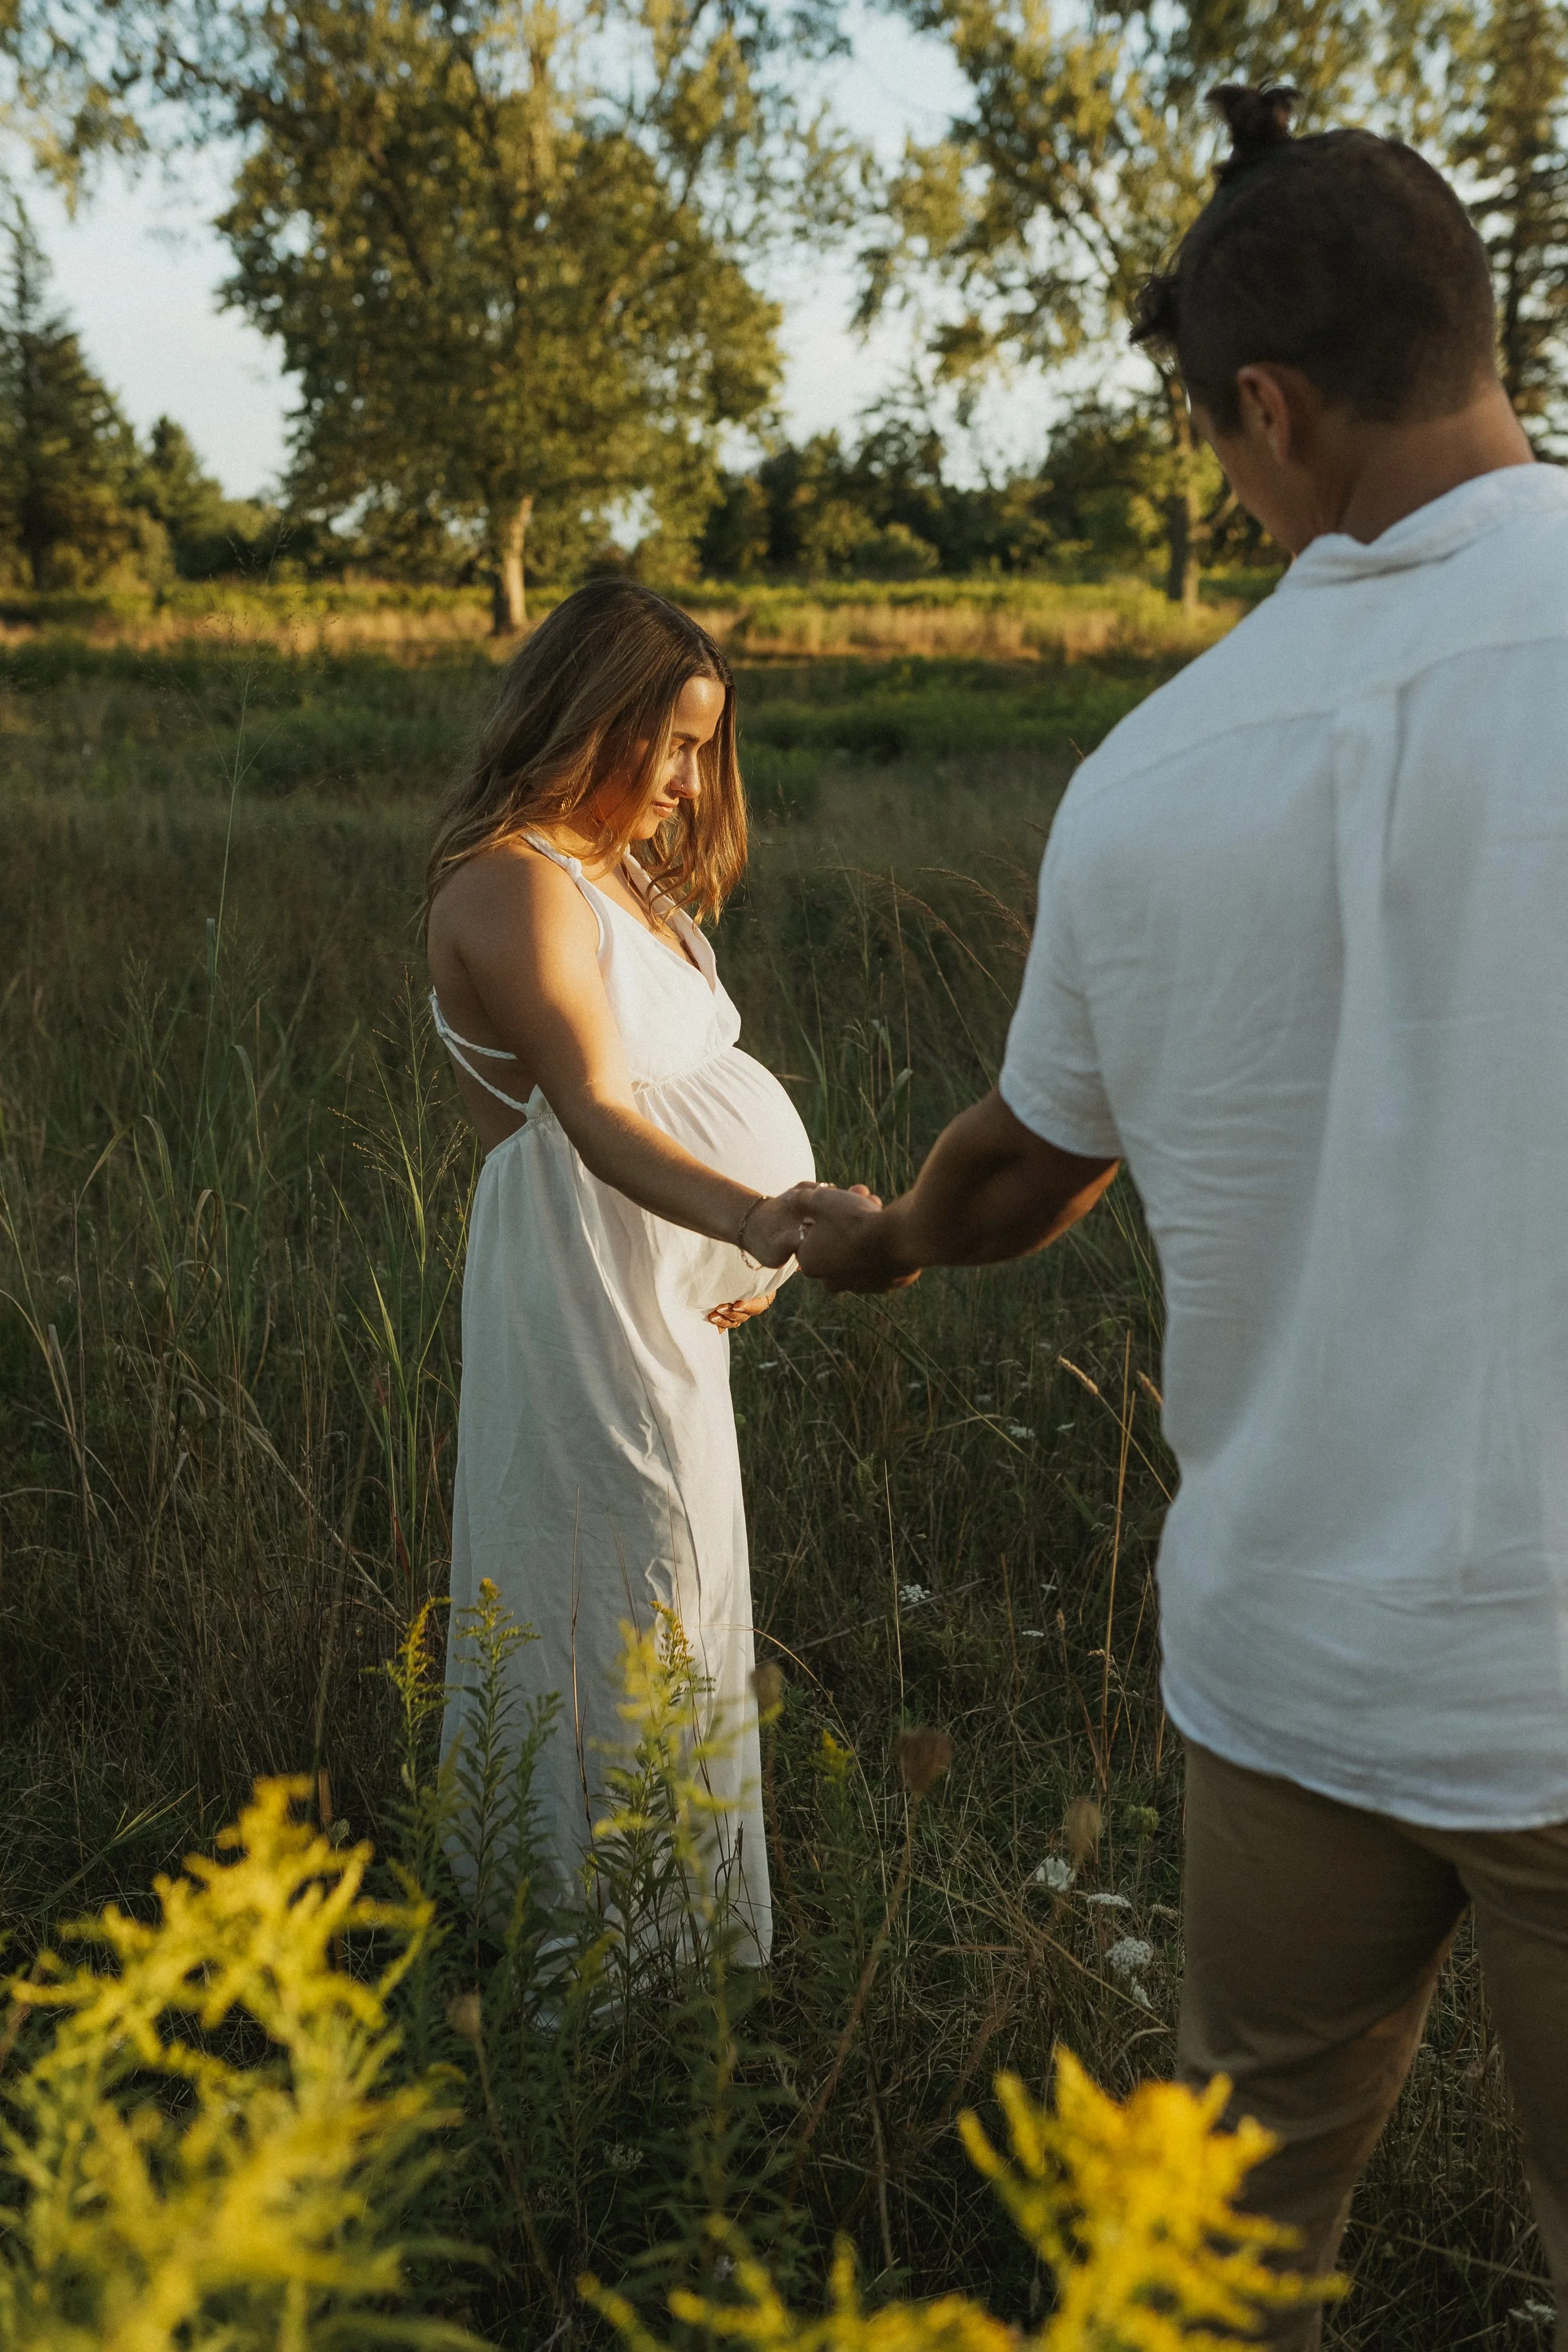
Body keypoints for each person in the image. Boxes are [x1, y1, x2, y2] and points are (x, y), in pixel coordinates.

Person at [795, 84, 1568, 2346]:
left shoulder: (1151, 773)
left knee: (1218, 2281)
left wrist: (890, 1240)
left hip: (1289, 1684)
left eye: (1220, 448)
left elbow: (1026, 1165)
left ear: (1266, 406)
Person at [425, 581, 816, 1964]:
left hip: (662, 1301)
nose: (679, 776)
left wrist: (736, 1235)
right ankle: (595, 1956)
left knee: (683, 1581)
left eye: (700, 744)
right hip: (581, 1295)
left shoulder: (622, 877)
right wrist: (762, 1213)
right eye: (655, 739)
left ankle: (681, 1936)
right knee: (621, 1575)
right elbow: (593, 1113)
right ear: (576, 717)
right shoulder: (511, 885)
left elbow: (688, 1084)